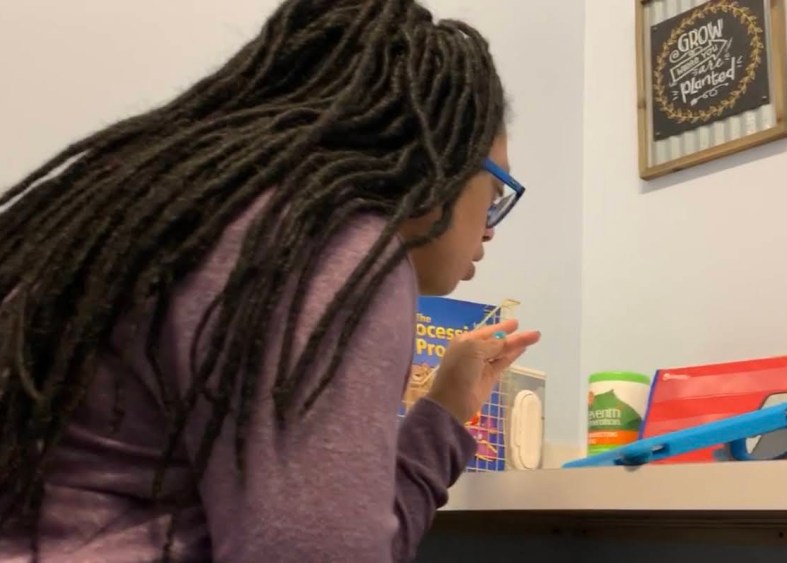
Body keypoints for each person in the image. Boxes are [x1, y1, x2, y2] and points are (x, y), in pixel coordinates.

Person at [0, 0, 540, 561]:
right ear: (439, 155)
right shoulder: (331, 247)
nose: (490, 230)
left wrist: (446, 408)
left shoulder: (175, 221)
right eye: (496, 193)